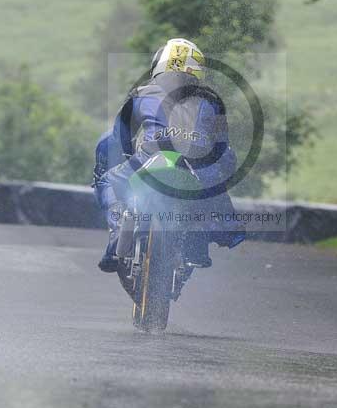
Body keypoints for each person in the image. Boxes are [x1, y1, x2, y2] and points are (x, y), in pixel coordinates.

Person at [92, 38, 245, 273]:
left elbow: (118, 138)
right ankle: (197, 246)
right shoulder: (213, 101)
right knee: (212, 190)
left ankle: (116, 234)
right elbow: (223, 151)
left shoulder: (142, 92)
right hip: (197, 173)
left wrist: (126, 155)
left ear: (160, 63)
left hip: (149, 160)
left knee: (105, 179)